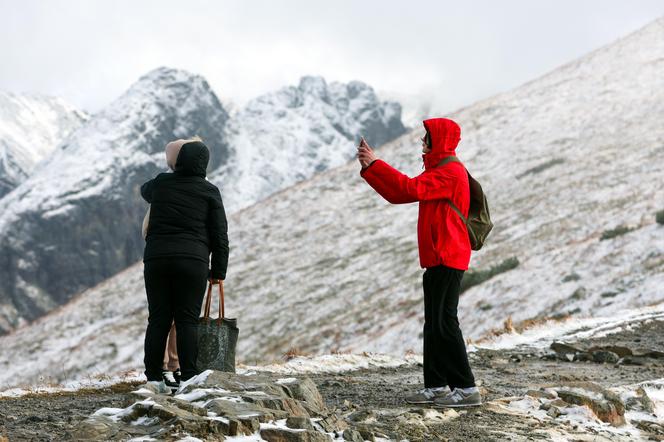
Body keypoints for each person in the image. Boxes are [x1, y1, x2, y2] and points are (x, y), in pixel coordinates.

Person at [357, 118, 481, 408]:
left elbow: (408, 188)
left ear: (439, 141)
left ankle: (465, 388)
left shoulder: (450, 172)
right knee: (434, 324)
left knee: (445, 322)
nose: (422, 141)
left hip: (448, 257)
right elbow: (399, 194)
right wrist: (369, 168)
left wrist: (376, 163)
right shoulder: (440, 171)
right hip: (439, 257)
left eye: (426, 137)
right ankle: (436, 386)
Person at [140, 137, 229, 391]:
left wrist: (167, 174)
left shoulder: (161, 184)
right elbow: (220, 235)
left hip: (157, 259)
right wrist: (218, 272)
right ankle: (188, 378)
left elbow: (144, 191)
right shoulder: (210, 191)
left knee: (158, 318)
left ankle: (154, 379)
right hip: (193, 261)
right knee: (187, 320)